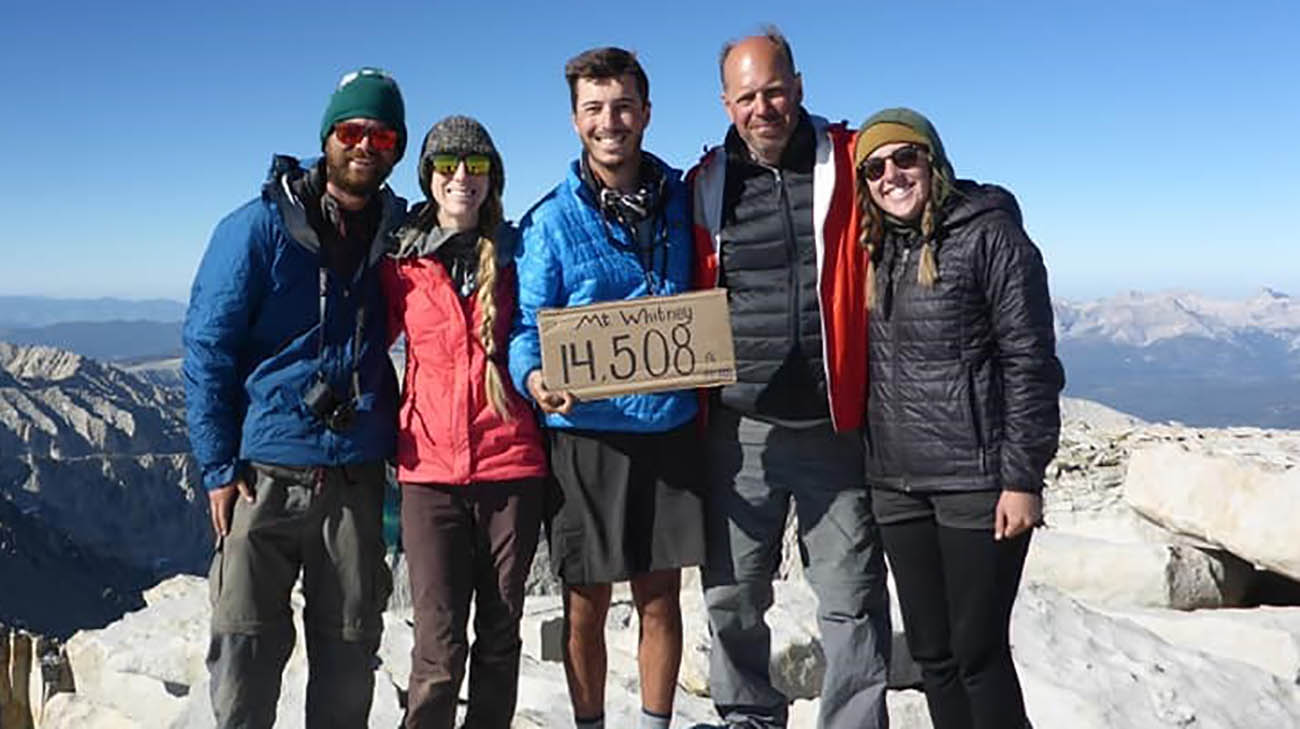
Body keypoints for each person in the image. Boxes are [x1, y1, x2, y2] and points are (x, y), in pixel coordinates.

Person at [183, 67, 406, 728]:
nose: (365, 144)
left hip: (355, 477)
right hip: (264, 475)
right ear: (327, 136)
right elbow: (207, 346)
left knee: (348, 655)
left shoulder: (399, 232)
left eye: (382, 133)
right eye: (351, 129)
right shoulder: (258, 227)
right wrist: (218, 466)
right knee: (245, 651)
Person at [689, 28, 891, 729]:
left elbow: (920, 189)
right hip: (739, 426)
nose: (762, 107)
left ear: (799, 86)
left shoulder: (853, 158)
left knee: (853, 594)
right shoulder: (705, 184)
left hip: (835, 424)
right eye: (746, 96)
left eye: (774, 90)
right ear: (726, 102)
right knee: (733, 593)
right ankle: (747, 715)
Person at [508, 46, 704, 729]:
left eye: (622, 105)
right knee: (584, 604)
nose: (609, 120)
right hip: (585, 434)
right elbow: (525, 328)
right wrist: (533, 377)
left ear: (646, 113)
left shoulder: (686, 198)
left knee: (660, 598)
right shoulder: (549, 221)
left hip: (670, 425)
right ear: (575, 121)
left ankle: (653, 722)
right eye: (594, 108)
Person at [853, 107, 1064, 729]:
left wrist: (1023, 477)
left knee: (978, 653)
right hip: (897, 484)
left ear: (933, 160)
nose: (891, 174)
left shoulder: (991, 236)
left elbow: (1031, 362)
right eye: (875, 167)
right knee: (932, 656)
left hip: (977, 483)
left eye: (904, 158)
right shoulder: (874, 248)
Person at [380, 115, 547, 729]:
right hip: (429, 472)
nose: (461, 179)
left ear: (492, 178)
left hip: (511, 467)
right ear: (427, 177)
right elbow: (365, 340)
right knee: (439, 643)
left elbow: (545, 332)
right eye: (447, 166)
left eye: (474, 166)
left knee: (501, 636)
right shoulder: (401, 264)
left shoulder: (517, 255)